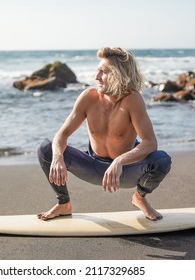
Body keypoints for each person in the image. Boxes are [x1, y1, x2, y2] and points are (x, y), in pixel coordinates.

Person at [37, 47, 171, 221]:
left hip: (124, 171)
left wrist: (119, 161)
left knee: (161, 160)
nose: (96, 77)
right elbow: (61, 135)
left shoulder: (133, 100)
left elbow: (150, 143)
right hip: (93, 165)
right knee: (46, 149)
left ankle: (139, 198)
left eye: (103, 72)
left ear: (119, 75)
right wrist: (57, 157)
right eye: (97, 70)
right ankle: (64, 203)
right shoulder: (88, 97)